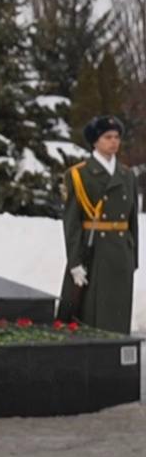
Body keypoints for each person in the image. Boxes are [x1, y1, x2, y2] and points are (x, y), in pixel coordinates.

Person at [56, 116, 139, 333]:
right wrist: (74, 262)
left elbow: (132, 221)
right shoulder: (79, 174)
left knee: (118, 313)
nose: (114, 142)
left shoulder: (127, 175)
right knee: (93, 314)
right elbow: (72, 223)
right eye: (107, 137)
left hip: (120, 253)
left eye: (117, 137)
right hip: (93, 253)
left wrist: (133, 258)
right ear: (95, 141)